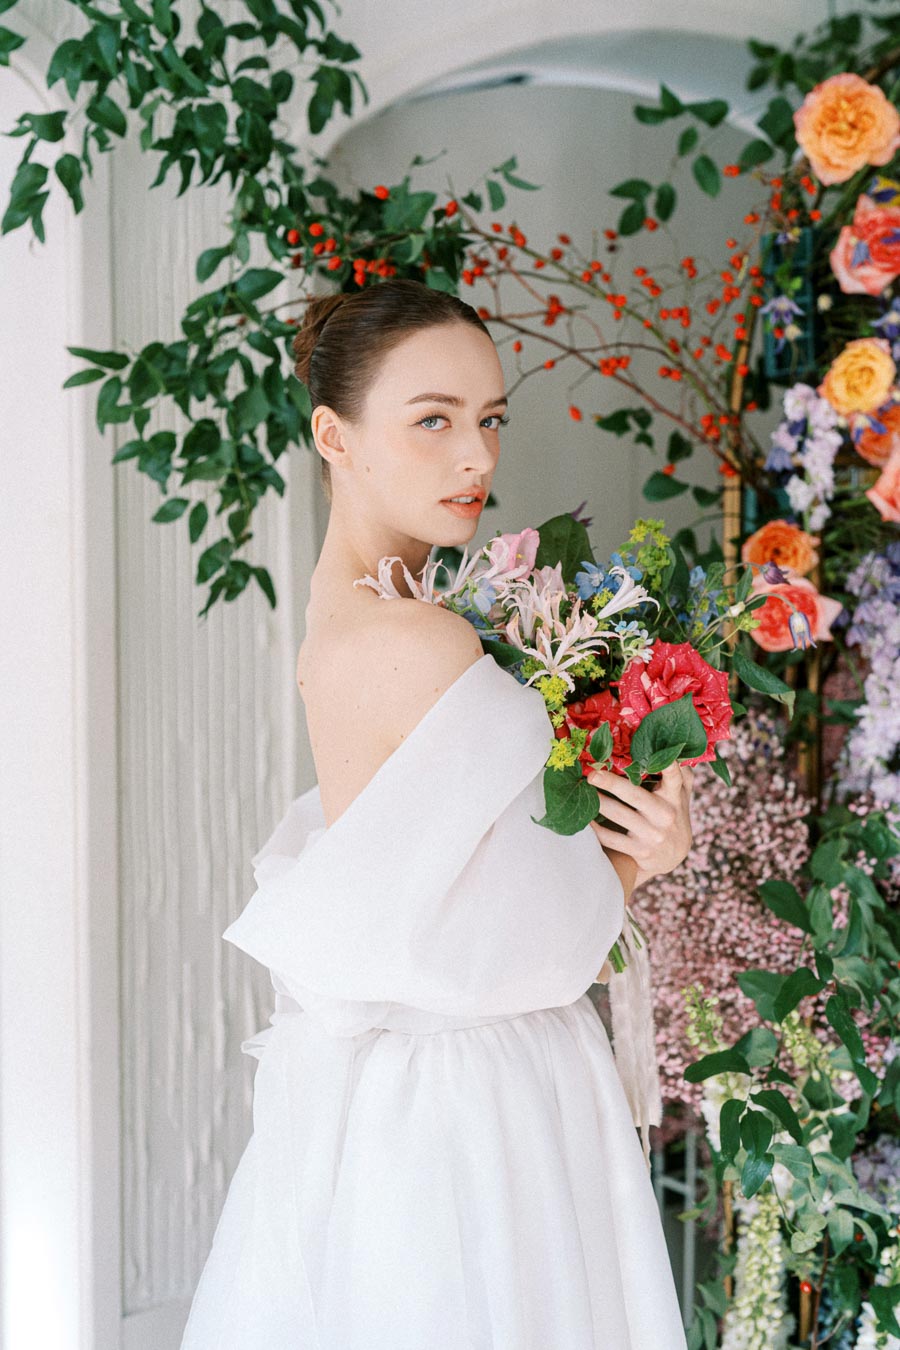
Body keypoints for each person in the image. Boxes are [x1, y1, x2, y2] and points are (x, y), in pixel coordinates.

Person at [179, 277, 694, 1350]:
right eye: (434, 421)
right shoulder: (421, 644)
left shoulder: (378, 618)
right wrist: (647, 859)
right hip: (477, 1109)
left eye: (490, 419)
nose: (479, 457)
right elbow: (542, 948)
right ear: (335, 435)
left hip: (421, 1095)